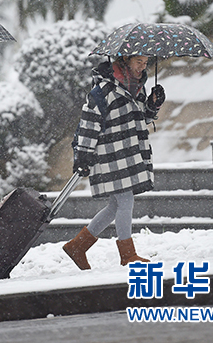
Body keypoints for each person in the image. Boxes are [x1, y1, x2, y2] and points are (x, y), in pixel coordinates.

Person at [63, 55, 165, 270]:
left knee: (115, 205)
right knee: (125, 201)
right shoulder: (102, 91)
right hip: (108, 154)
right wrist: (82, 155)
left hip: (127, 153)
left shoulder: (137, 87)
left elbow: (141, 119)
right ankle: (128, 254)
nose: (142, 66)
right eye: (138, 61)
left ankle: (77, 246)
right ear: (125, 60)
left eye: (146, 62)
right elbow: (88, 124)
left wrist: (153, 105)